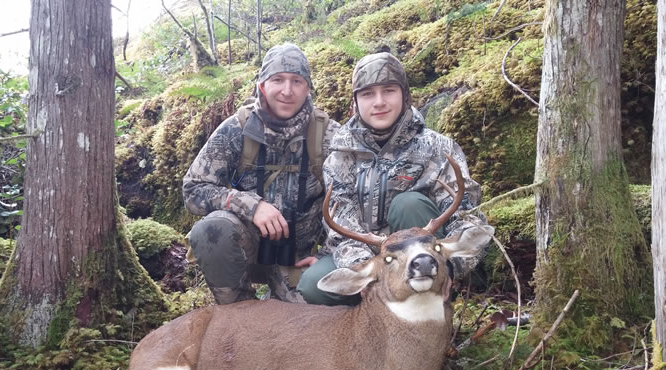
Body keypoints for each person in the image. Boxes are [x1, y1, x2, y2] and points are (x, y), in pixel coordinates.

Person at [297, 52, 490, 306]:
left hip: (423, 260)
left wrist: (450, 268)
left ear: (405, 95)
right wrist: (368, 272)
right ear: (355, 103)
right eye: (368, 94)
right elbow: (341, 229)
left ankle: (429, 307)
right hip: (371, 259)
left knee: (409, 204)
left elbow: (467, 219)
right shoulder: (339, 156)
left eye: (388, 91)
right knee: (312, 287)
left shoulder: (437, 148)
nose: (379, 102)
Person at [183, 43, 340, 305]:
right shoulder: (235, 129)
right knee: (213, 229)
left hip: (299, 256)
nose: (287, 91)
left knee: (307, 323)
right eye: (277, 80)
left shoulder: (329, 136)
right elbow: (193, 189)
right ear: (262, 85)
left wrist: (327, 255)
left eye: (297, 81)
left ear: (308, 87)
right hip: (246, 249)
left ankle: (281, 297)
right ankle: (238, 313)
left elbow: (349, 204)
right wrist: (250, 205)